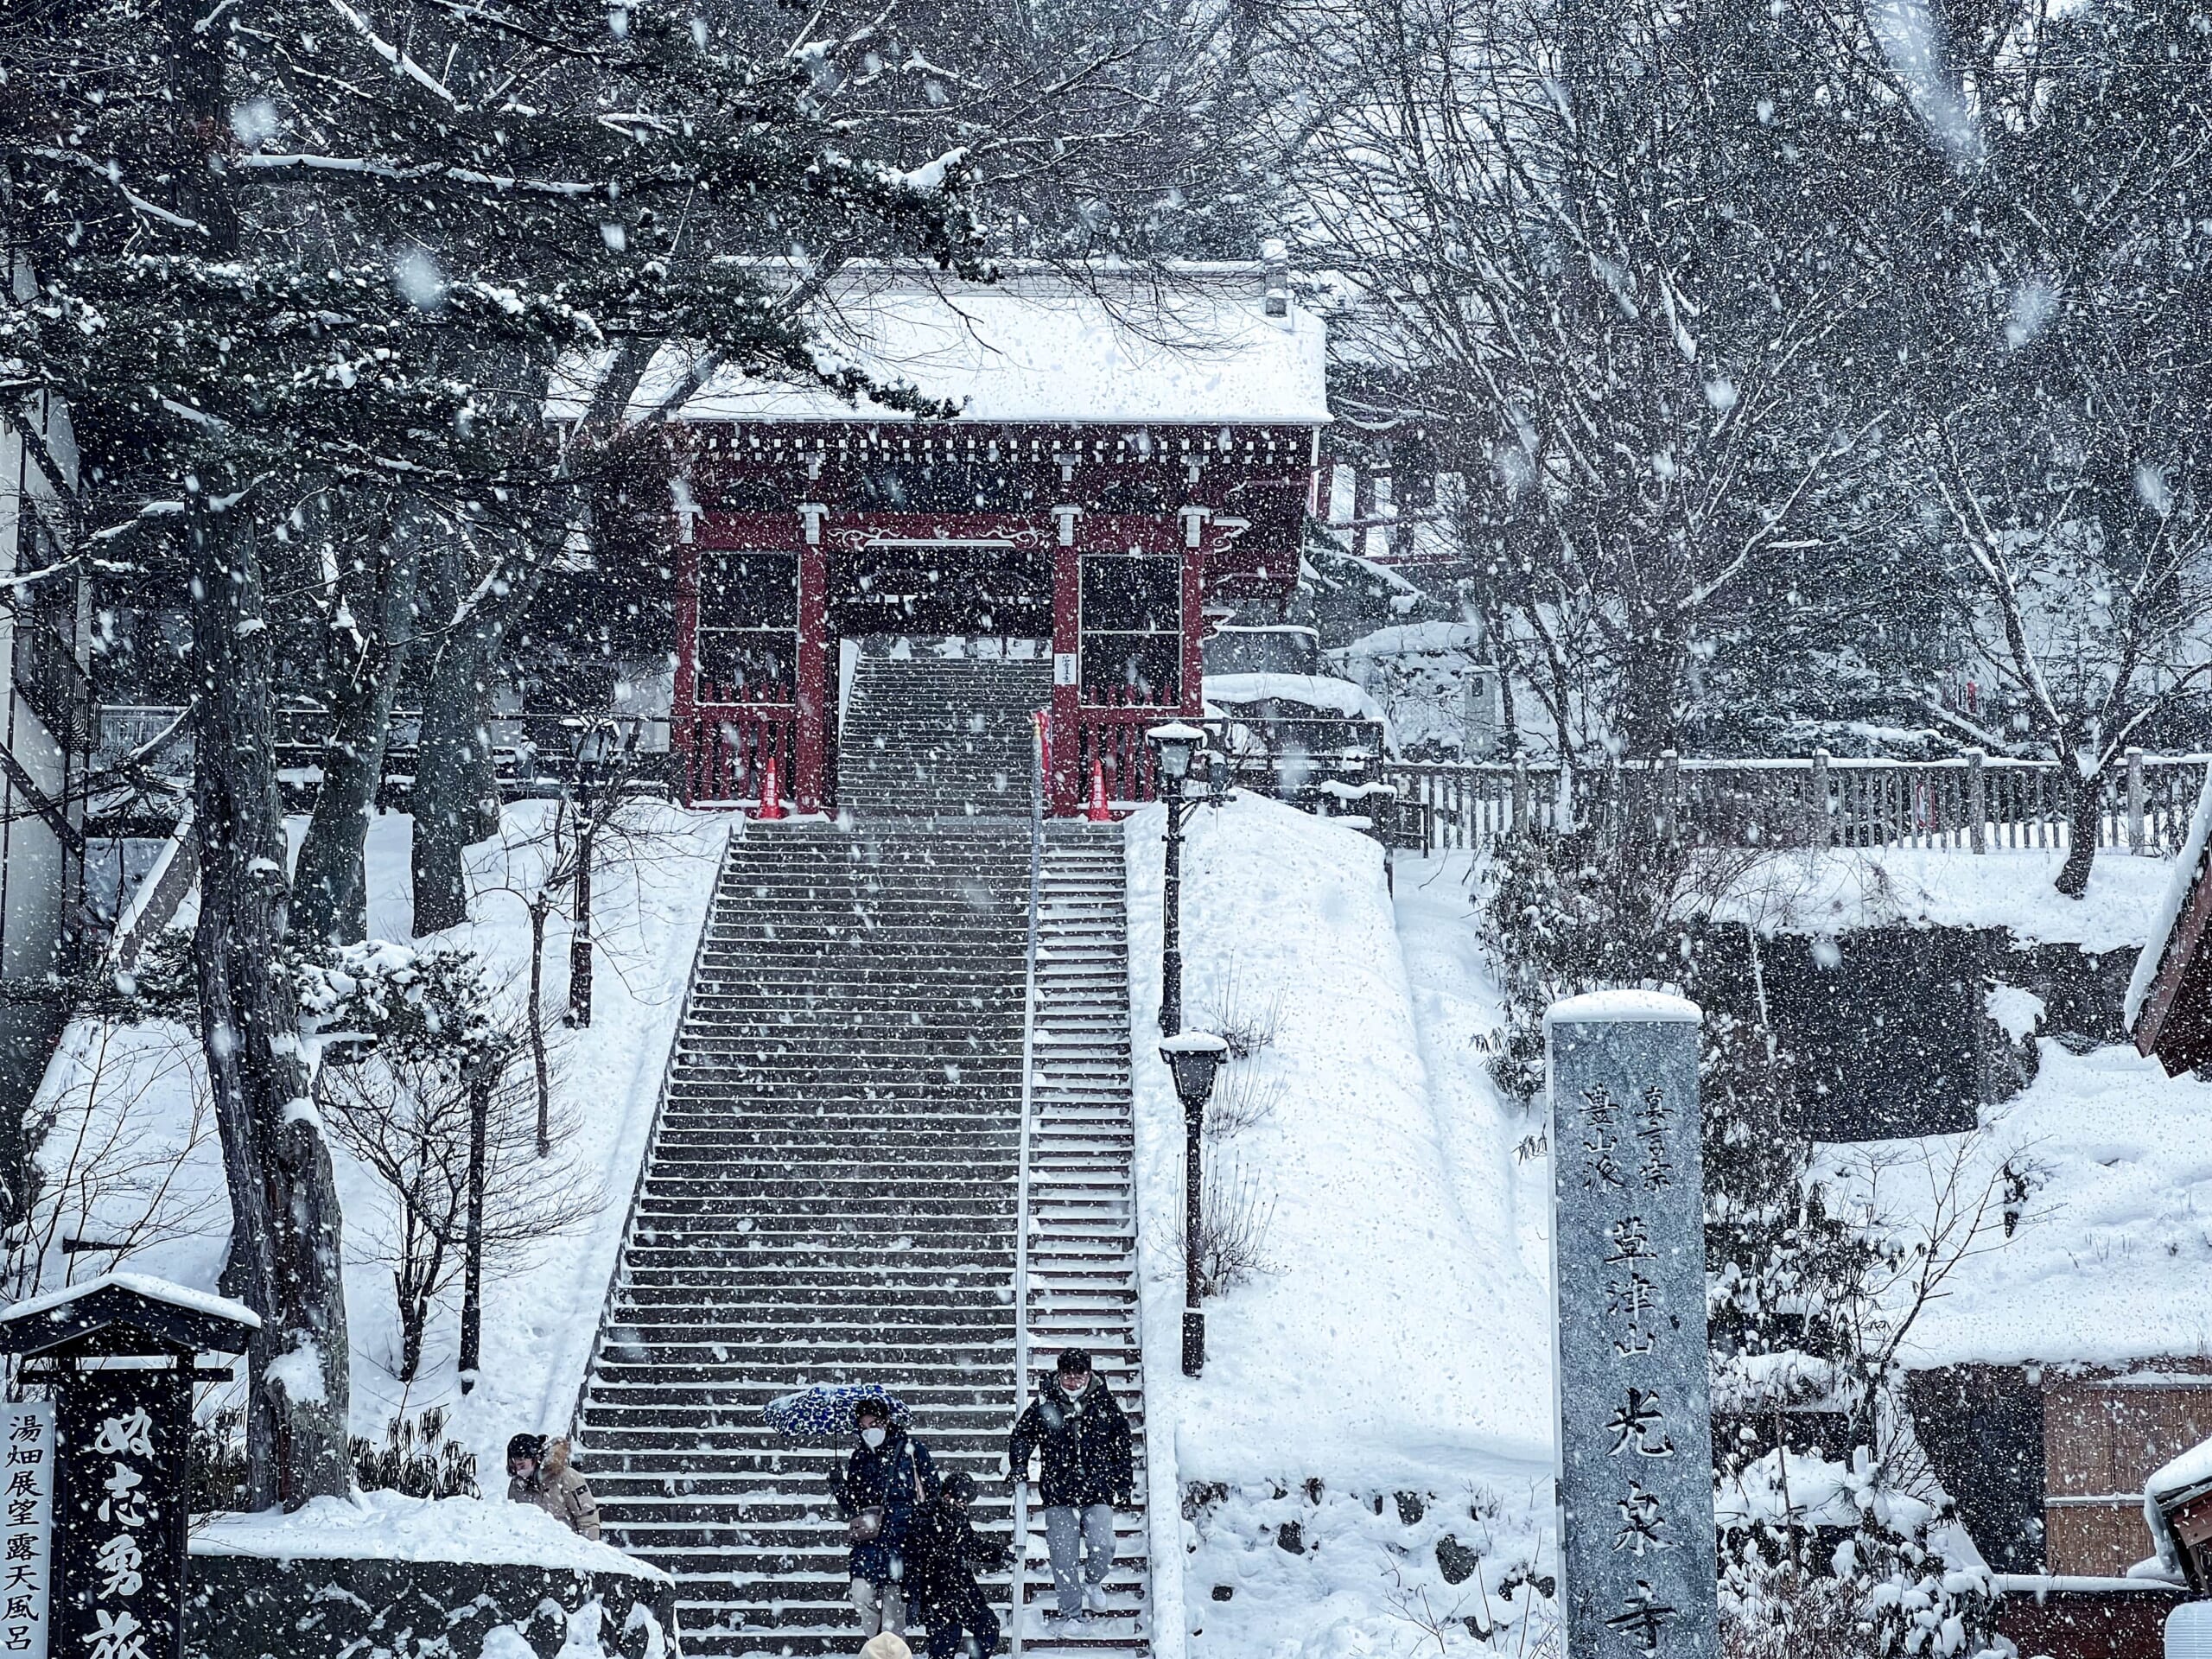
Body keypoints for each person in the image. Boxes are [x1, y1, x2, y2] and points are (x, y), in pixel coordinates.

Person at [1005, 1349, 1131, 1623]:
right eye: (1068, 1375)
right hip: (1059, 1493)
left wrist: (1123, 1482)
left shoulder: (1104, 1404)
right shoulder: (1044, 1404)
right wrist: (1018, 1465)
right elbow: (1022, 1435)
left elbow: (1122, 1444)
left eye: (1080, 1375)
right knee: (1063, 1558)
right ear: (1059, 1374)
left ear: (1089, 1374)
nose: (1073, 1381)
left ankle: (1094, 1581)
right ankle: (1070, 1613)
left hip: (1097, 1490)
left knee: (1104, 1544)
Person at [830, 1396, 938, 1638]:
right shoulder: (860, 1457)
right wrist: (839, 1486)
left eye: (874, 1424)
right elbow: (853, 1504)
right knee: (860, 1595)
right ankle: (878, 1647)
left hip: (902, 1537)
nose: (869, 1431)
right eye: (863, 1427)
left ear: (886, 1421)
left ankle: (890, 1650)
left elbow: (933, 1489)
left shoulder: (910, 1450)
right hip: (869, 1537)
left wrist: (920, 1515)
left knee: (894, 1608)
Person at [905, 1471, 1010, 1659]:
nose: (965, 1506)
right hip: (936, 1596)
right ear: (948, 1496)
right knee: (944, 1647)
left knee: (988, 1627)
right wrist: (913, 1597)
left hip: (963, 1592)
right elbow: (913, 1562)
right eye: (963, 1501)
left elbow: (971, 1545)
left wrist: (998, 1552)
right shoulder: (925, 1519)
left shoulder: (958, 1517)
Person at [506, 1433, 601, 1541]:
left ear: (536, 1458)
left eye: (522, 1465)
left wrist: (586, 1549)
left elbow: (587, 1517)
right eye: (514, 1466)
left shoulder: (566, 1477)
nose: (518, 1470)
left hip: (567, 1546)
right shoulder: (517, 1486)